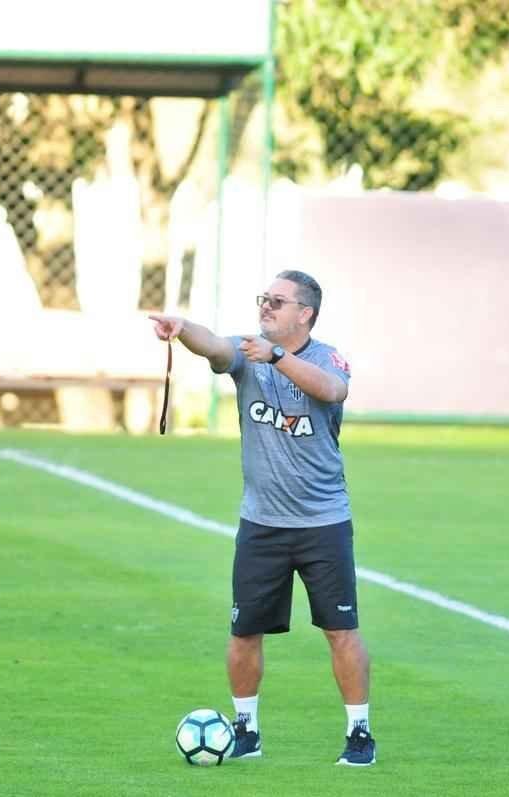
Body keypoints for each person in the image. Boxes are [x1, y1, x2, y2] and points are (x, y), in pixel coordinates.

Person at [149, 270, 376, 767]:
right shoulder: (247, 352)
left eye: (278, 301)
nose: (266, 307)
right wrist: (182, 326)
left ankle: (359, 732)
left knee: (341, 631)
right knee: (244, 631)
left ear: (306, 313)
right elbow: (213, 348)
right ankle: (246, 728)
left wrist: (276, 357)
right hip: (262, 523)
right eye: (264, 299)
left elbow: (331, 391)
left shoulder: (324, 357)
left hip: (322, 522)